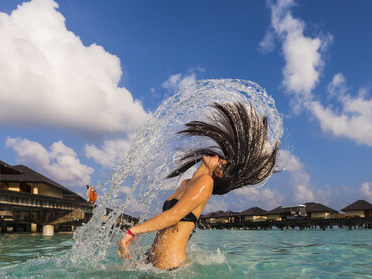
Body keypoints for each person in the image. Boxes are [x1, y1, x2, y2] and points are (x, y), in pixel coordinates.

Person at [118, 101, 279, 270]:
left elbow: (174, 215)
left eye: (223, 162)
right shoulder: (186, 183)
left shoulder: (206, 182)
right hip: (152, 265)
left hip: (170, 271)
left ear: (219, 173)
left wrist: (132, 231)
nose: (220, 158)